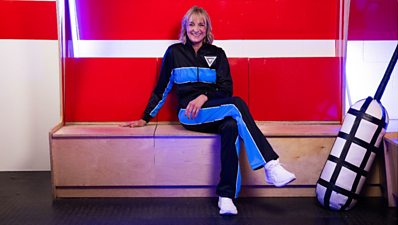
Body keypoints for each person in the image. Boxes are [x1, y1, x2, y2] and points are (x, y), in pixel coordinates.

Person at [122, 6, 296, 215]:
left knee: (231, 126)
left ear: (207, 28)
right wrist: (145, 118)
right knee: (236, 104)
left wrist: (204, 96)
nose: (196, 29)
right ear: (185, 27)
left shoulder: (217, 54)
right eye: (192, 24)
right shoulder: (174, 53)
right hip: (190, 114)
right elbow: (161, 89)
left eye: (201, 24)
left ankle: (226, 196)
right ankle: (270, 163)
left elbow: (226, 89)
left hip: (213, 110)